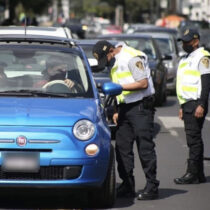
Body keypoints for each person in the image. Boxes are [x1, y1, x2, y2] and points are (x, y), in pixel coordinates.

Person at [92, 40, 159, 200]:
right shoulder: (115, 61)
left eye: (105, 58)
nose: (106, 62)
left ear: (111, 51)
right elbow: (116, 88)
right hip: (124, 108)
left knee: (145, 147)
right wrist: (116, 109)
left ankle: (152, 186)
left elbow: (143, 83)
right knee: (122, 147)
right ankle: (127, 185)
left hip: (140, 107)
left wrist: (121, 88)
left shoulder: (132, 57)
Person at [174, 28, 210, 184]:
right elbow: (183, 84)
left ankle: (192, 173)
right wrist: (182, 106)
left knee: (193, 139)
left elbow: (206, 83)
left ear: (196, 41)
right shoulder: (186, 58)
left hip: (196, 103)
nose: (184, 44)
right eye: (183, 41)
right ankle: (199, 174)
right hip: (188, 103)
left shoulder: (203, 57)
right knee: (195, 138)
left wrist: (201, 104)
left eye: (187, 41)